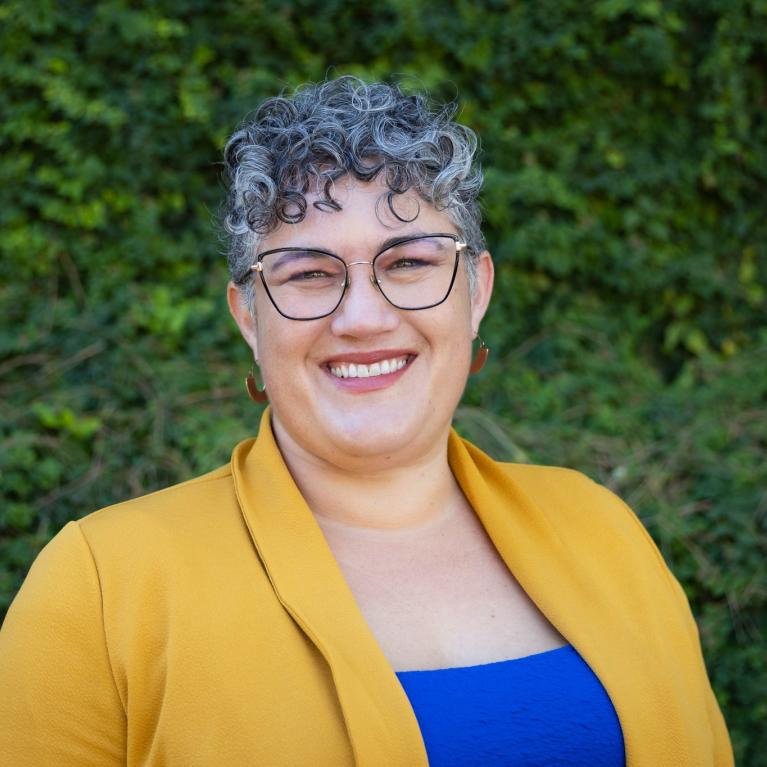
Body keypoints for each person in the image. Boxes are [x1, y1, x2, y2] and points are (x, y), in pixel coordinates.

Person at [0, 77, 732, 767]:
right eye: (308, 273)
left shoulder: (602, 527)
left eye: (409, 260)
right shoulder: (99, 587)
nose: (362, 317)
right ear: (247, 317)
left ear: (475, 290)